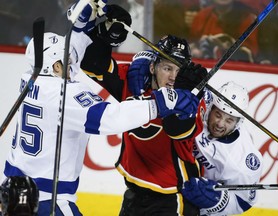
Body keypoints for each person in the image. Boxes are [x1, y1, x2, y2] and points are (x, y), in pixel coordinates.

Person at [2, 4, 200, 216]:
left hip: (14, 191)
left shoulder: (32, 78)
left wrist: (82, 27)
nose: (72, 64)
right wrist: (163, 101)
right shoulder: (65, 95)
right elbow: (110, 119)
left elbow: (74, 57)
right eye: (66, 61)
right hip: (49, 200)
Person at [80, 8, 208, 213]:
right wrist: (107, 36)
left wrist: (184, 95)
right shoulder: (133, 81)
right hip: (133, 194)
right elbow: (92, 64)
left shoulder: (192, 101)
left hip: (173, 198)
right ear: (152, 67)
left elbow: (177, 130)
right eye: (168, 68)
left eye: (179, 70)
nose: (174, 77)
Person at [181, 81, 263, 215]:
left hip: (196, 205)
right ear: (211, 108)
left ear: (238, 123)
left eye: (229, 120)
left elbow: (244, 202)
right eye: (217, 115)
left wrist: (219, 202)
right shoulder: (201, 102)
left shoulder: (242, 160)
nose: (220, 124)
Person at [188, 0, 258, 63]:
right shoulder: (202, 16)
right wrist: (195, 50)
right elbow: (191, 43)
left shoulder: (247, 18)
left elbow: (250, 54)